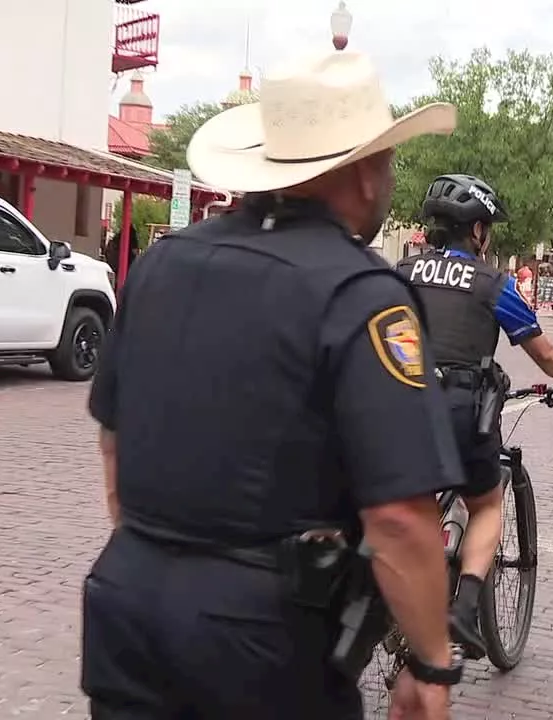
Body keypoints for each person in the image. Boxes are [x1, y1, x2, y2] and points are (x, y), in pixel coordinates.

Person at [81, 50, 468, 720]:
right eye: (388, 159)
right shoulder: (365, 295)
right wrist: (431, 663)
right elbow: (401, 516)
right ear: (365, 173)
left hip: (126, 601)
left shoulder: (161, 264)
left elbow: (114, 449)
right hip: (264, 638)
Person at [395, 173, 553, 657]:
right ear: (478, 231)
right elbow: (541, 351)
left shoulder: (401, 273)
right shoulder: (493, 283)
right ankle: (463, 611)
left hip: (398, 406)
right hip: (462, 408)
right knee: (485, 506)